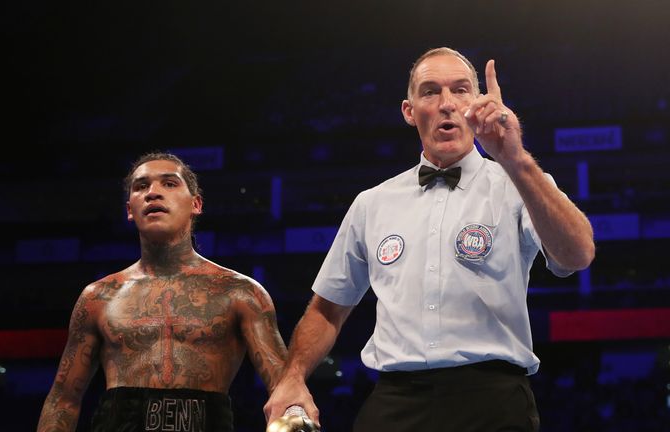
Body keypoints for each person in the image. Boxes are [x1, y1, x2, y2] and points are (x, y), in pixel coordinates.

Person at [264, 47, 595, 431]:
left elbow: (577, 255)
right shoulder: (372, 203)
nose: (447, 104)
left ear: (478, 103)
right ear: (409, 111)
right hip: (395, 401)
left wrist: (516, 159)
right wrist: (293, 376)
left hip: (493, 401)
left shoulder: (517, 184)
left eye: (460, 90)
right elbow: (326, 310)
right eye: (431, 91)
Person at [37, 152, 288, 432]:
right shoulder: (99, 297)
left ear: (196, 204)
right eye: (141, 186)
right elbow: (64, 400)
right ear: (130, 209)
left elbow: (285, 389)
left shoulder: (239, 293)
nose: (153, 193)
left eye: (169, 183)